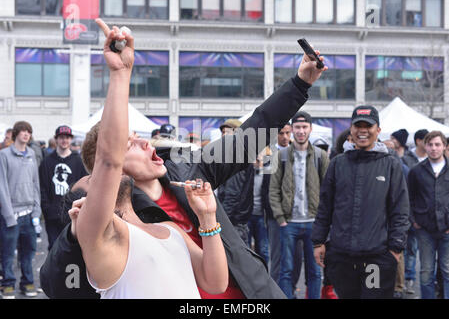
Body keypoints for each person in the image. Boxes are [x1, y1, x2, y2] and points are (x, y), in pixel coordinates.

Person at [39, 18, 328, 299]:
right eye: (129, 144)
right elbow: (56, 283)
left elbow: (247, 139)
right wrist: (73, 235)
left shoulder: (188, 170)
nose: (142, 141)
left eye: (138, 137)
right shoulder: (119, 218)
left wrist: (300, 84)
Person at [70, 27, 227, 298]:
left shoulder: (170, 228)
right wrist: (121, 74)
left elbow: (215, 283)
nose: (146, 143)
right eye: (129, 142)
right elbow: (109, 160)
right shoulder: (102, 232)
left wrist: (208, 218)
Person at [312, 105, 410, 299]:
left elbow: (400, 209)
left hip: (377, 256)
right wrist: (318, 242)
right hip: (342, 256)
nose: (362, 130)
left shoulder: (390, 165)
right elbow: (325, 206)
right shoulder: (338, 164)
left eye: (368, 126)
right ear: (351, 129)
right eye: (358, 126)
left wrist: (395, 249)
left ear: (378, 130)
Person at [269, 111, 330, 299]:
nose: (301, 131)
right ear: (292, 129)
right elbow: (273, 190)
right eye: (297, 127)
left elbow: (328, 192)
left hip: (314, 223)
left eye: (304, 127)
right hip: (289, 222)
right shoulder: (281, 156)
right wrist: (280, 218)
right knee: (286, 270)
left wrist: (324, 221)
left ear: (310, 129)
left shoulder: (320, 156)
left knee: (314, 272)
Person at [0, 121, 41, 298]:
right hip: (12, 215)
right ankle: (7, 283)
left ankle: (27, 282)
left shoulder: (32, 154)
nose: (26, 134)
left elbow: (35, 184)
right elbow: (2, 187)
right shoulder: (4, 155)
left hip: (29, 214)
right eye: (23, 131)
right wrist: (9, 215)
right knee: (8, 253)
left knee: (28, 252)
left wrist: (37, 212)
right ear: (16, 133)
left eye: (29, 132)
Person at [408, 131, 449, 299]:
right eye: (430, 144)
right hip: (424, 229)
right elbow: (408, 198)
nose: (434, 148)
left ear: (445, 147)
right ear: (424, 146)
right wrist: (414, 221)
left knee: (447, 271)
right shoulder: (416, 171)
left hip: (447, 229)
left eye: (437, 144)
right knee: (426, 272)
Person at [38, 125, 88, 250]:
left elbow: (85, 186)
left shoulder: (78, 161)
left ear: (71, 139)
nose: (64, 140)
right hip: (52, 215)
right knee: (54, 249)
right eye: (61, 137)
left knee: (72, 249)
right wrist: (47, 209)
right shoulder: (47, 162)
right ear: (56, 139)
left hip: (73, 214)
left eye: (67, 137)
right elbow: (42, 187)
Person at [217, 118, 253, 246]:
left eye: (229, 132)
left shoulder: (237, 157)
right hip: (235, 220)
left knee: (236, 261)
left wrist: (221, 220)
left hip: (233, 222)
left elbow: (232, 193)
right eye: (223, 132)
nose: (224, 135)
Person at [402, 129, 428, 295]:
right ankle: (408, 280)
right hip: (412, 212)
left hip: (430, 215)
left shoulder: (436, 159)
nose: (430, 146)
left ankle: (429, 285)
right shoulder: (406, 159)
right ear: (418, 141)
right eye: (427, 141)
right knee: (410, 249)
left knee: (427, 256)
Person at [265, 123, 291, 284]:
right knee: (276, 258)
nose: (285, 136)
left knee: (293, 258)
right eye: (282, 133)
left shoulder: (297, 154)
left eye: (288, 133)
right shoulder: (270, 155)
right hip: (274, 215)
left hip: (295, 216)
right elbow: (266, 188)